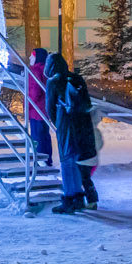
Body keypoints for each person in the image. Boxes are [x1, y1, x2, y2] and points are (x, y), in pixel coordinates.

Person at [50, 52, 100, 213]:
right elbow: (87, 102)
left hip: (65, 125)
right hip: (81, 123)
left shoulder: (54, 81)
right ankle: (79, 197)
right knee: (77, 160)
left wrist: (57, 121)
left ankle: (69, 199)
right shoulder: (77, 78)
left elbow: (49, 107)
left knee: (66, 162)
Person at [25, 47, 53, 165]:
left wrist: (28, 105)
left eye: (32, 55)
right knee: (45, 135)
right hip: (44, 109)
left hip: (36, 110)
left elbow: (34, 91)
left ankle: (40, 160)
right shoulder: (46, 70)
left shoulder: (35, 70)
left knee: (37, 136)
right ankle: (47, 159)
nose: (30, 58)